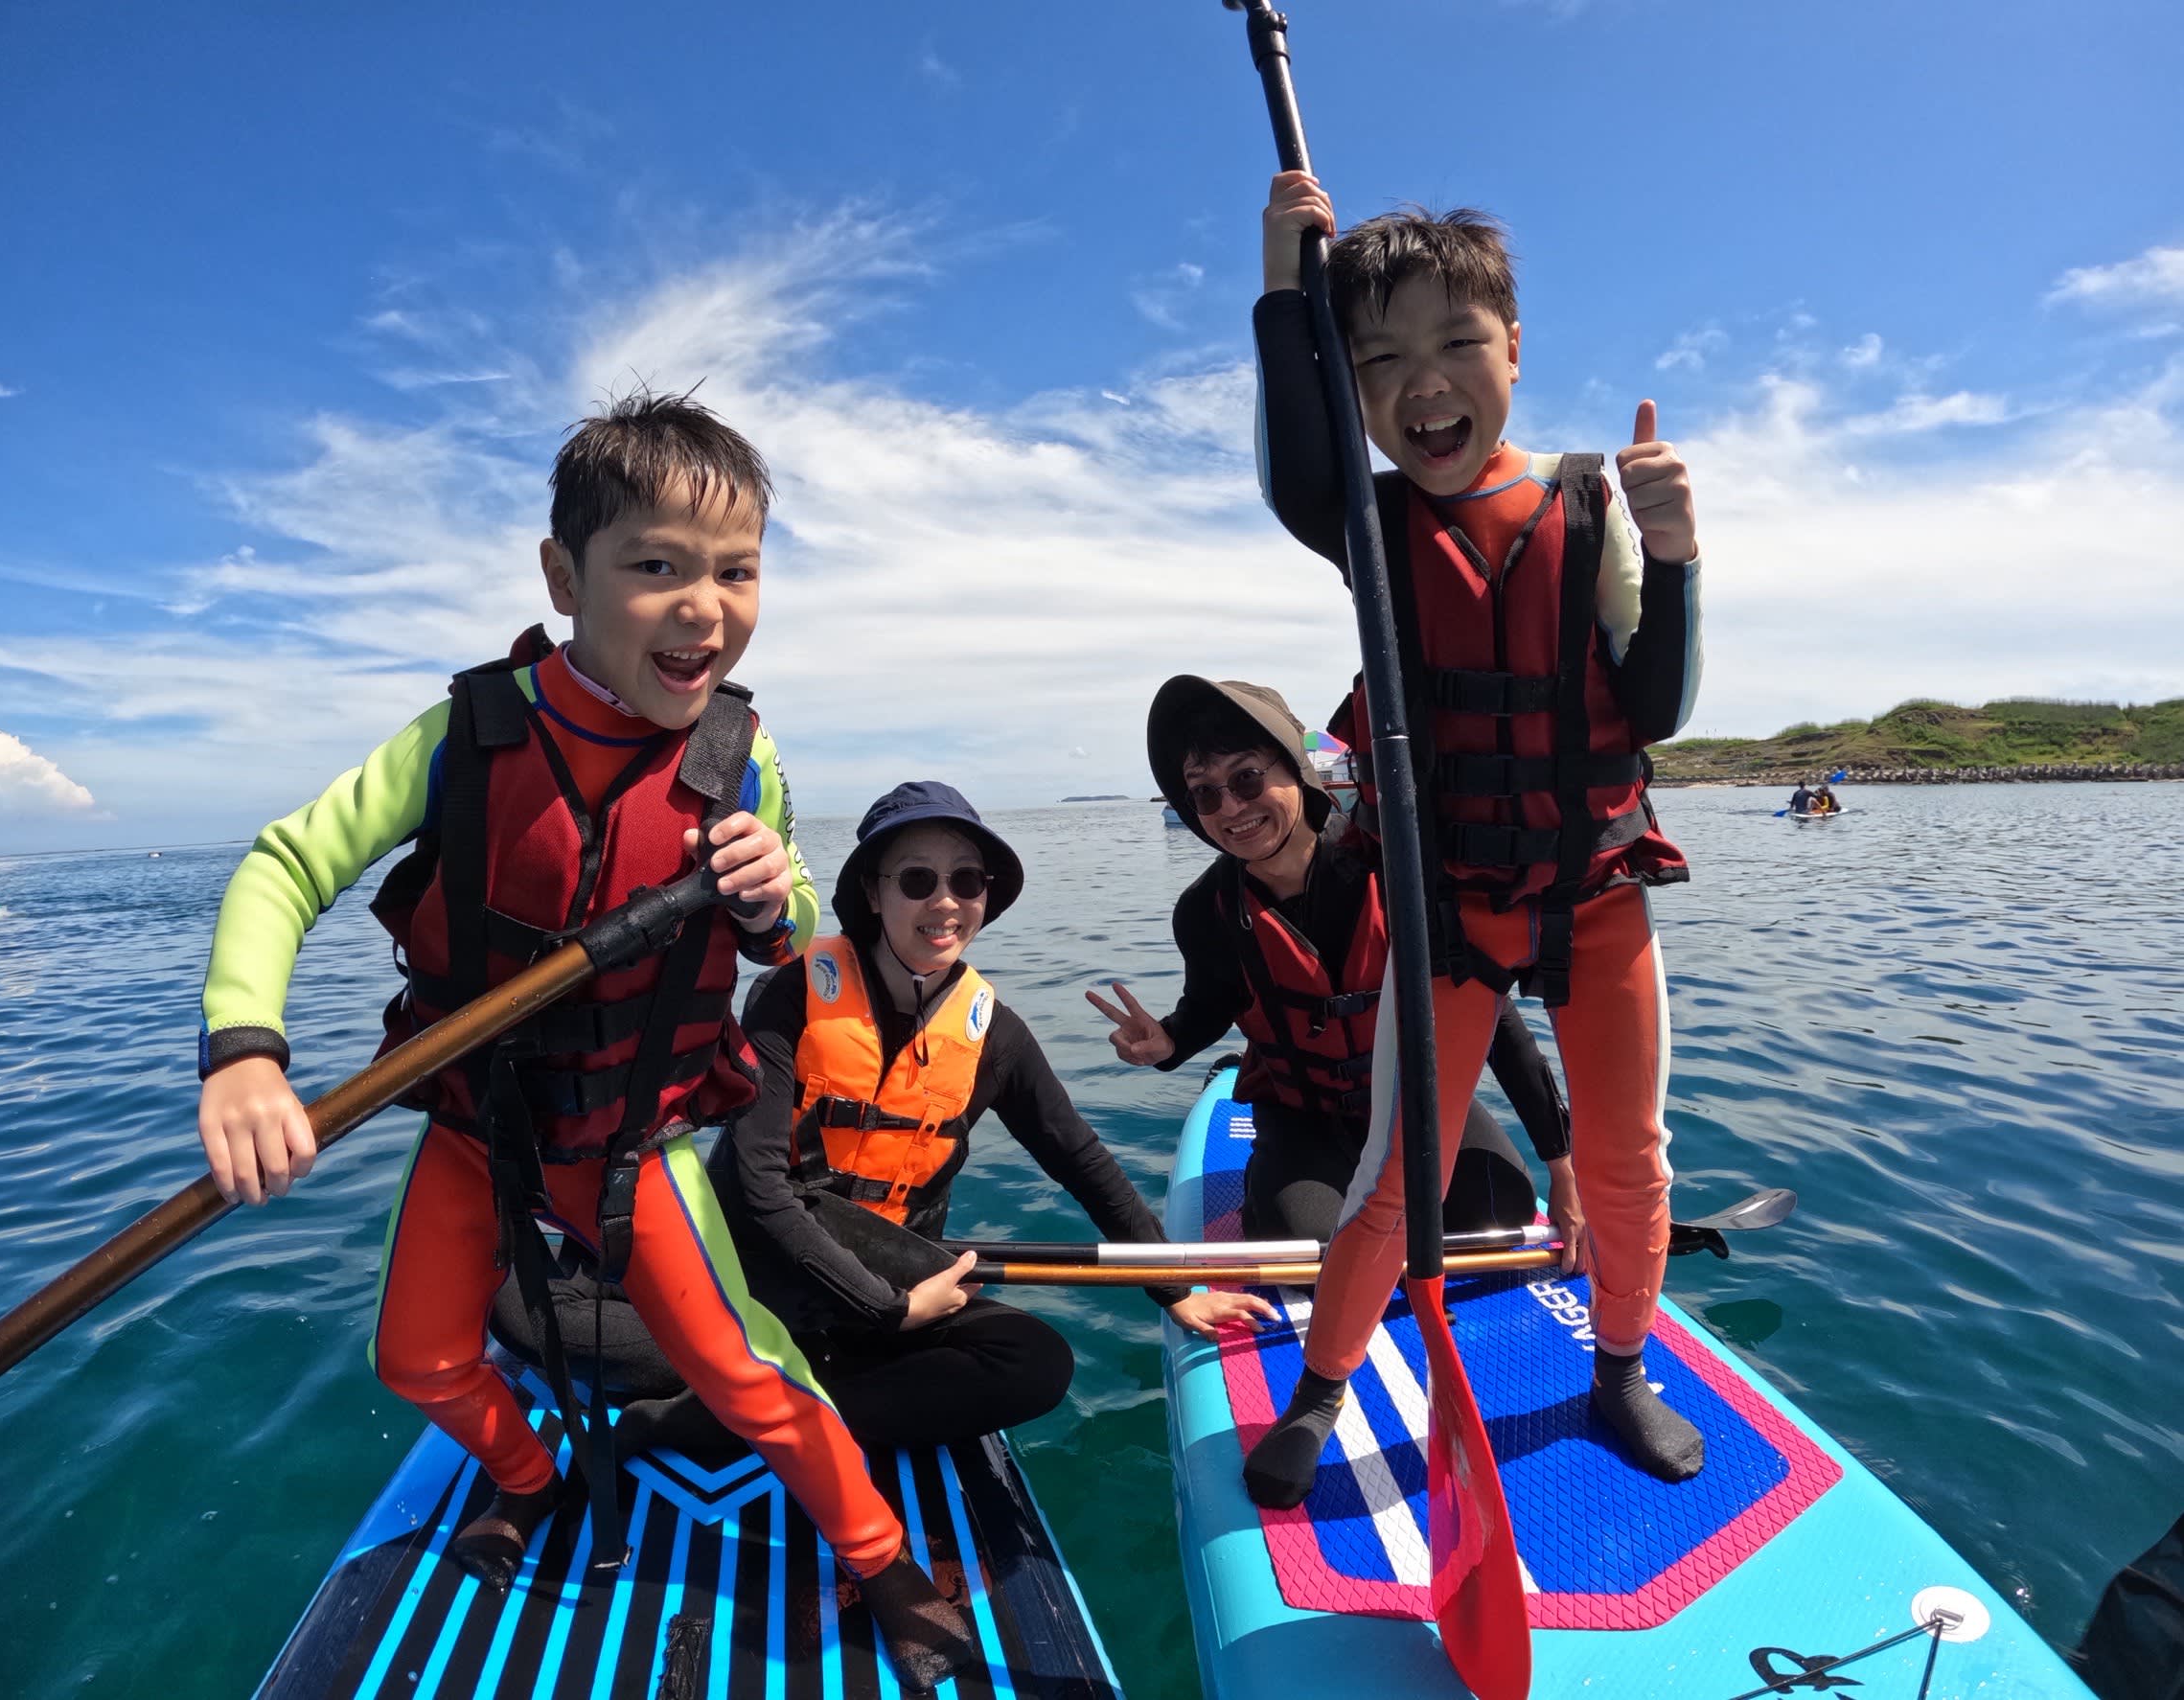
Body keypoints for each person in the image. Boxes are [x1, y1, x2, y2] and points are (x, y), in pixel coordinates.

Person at [190, 390, 971, 1690]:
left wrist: (773, 899)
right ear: (565, 577)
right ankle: (529, 1474)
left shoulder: (745, 757)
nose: (703, 607)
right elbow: (286, 863)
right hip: (476, 1129)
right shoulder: (467, 733)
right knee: (417, 1358)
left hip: (630, 1143)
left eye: (736, 572)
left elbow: (795, 927)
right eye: (656, 567)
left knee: (743, 1371)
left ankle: (882, 1558)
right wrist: (246, 1049)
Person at [1243, 175, 1708, 1503]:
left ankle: (1620, 1366)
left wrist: (1676, 554)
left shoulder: (1587, 500)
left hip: (1598, 897)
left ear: (1515, 349)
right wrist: (1283, 291)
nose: (1424, 385)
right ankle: (1323, 1389)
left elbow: (1659, 706)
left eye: (1457, 344)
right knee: (1398, 1174)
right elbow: (1296, 459)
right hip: (1448, 908)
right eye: (1379, 362)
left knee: (1628, 1162)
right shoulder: (1367, 523)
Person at [673, 781, 1271, 1456]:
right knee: (639, 1340)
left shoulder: (995, 1035)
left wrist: (1175, 1291)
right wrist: (887, 1309)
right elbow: (757, 1186)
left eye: (966, 881)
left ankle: (770, 1407)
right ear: (873, 893)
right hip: (767, 1269)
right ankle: (719, 1415)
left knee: (1036, 1362)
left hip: (889, 1282)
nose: (947, 903)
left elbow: (1080, 1159)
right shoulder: (789, 994)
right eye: (918, 880)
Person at [1089, 676, 1582, 1258]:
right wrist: (1168, 1042)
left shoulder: (1401, 873)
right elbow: (1211, 1005)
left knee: (1499, 1213)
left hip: (1414, 1101)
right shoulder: (1206, 911)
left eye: (1247, 778)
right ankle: (1272, 1188)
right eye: (1205, 794)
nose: (1231, 808)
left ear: (1295, 768)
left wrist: (1564, 1168)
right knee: (1309, 1248)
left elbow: (1496, 1023)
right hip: (1300, 1114)